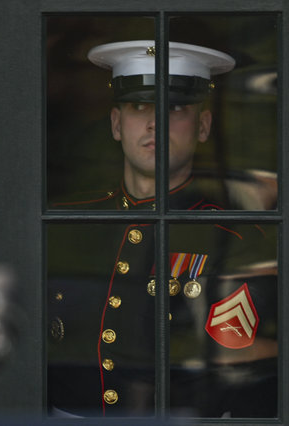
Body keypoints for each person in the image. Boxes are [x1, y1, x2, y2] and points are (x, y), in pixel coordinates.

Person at [47, 41, 278, 417]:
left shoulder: (232, 238)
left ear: (202, 126)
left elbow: (238, 382)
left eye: (174, 108)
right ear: (116, 124)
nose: (155, 122)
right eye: (139, 107)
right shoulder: (63, 226)